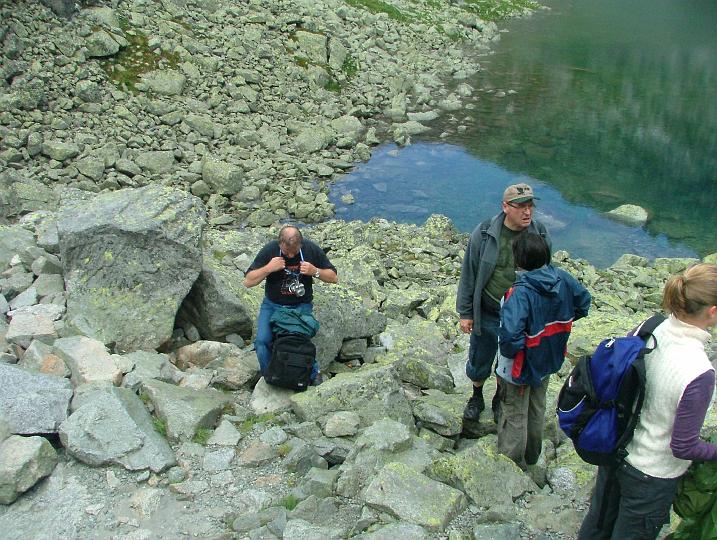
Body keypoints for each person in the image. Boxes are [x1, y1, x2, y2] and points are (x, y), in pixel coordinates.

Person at [578, 263, 717, 540]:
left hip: (615, 451)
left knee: (597, 525)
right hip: (650, 476)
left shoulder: (651, 328)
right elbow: (683, 446)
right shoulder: (699, 371)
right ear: (712, 312)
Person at [456, 183, 552, 421]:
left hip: (520, 315)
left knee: (508, 359)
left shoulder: (539, 233)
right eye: (521, 207)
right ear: (505, 207)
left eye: (530, 206)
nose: (527, 212)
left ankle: (499, 398)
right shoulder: (486, 233)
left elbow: (548, 273)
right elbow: (469, 272)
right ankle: (476, 396)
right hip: (488, 309)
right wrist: (465, 312)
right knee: (480, 356)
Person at [495, 232, 591, 469]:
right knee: (537, 407)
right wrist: (559, 326)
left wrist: (510, 352)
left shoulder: (521, 292)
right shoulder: (562, 278)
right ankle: (532, 456)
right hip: (549, 358)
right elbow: (583, 302)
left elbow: (510, 336)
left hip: (519, 366)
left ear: (519, 260)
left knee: (514, 414)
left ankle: (511, 465)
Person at [243, 225, 338, 382]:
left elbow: (333, 277)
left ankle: (310, 375)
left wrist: (315, 271)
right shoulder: (270, 250)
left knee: (298, 341)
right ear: (280, 243)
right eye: (287, 252)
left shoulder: (310, 249)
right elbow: (248, 281)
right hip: (273, 305)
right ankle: (270, 377)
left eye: (295, 251)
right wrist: (268, 268)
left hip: (300, 306)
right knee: (262, 341)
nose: (291, 255)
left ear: (301, 243)